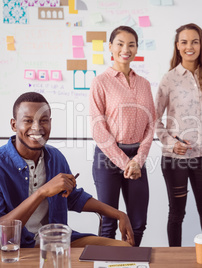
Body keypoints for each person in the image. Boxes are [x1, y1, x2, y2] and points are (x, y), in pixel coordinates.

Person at [0, 92, 134, 250]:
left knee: (123, 250)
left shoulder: (55, 157)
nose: (37, 127)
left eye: (43, 121)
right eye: (28, 121)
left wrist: (119, 214)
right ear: (14, 125)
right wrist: (42, 192)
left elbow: (73, 197)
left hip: (59, 242)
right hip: (19, 249)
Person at [155, 23, 202, 247]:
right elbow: (153, 119)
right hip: (175, 159)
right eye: (184, 42)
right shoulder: (169, 79)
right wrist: (171, 143)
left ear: (201, 44)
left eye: (194, 41)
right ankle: (174, 259)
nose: (189, 46)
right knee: (176, 213)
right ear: (177, 46)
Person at [89, 26, 155, 247]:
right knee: (108, 223)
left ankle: (131, 260)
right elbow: (98, 128)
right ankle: (105, 263)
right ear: (110, 47)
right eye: (120, 44)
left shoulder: (144, 84)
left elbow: (151, 124)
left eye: (131, 44)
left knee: (138, 223)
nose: (125, 49)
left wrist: (138, 160)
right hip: (108, 158)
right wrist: (126, 162)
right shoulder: (101, 82)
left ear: (136, 48)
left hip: (137, 158)